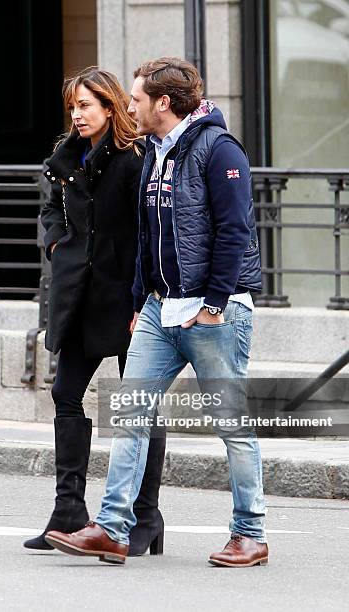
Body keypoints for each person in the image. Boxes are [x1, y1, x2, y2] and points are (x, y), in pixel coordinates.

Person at [45, 57, 268, 567]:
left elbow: (236, 232)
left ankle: (249, 533)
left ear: (162, 103)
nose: (131, 105)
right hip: (158, 310)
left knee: (231, 423)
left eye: (139, 98)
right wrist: (142, 296)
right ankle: (113, 528)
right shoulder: (157, 152)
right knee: (130, 414)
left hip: (216, 311)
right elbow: (148, 232)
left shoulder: (219, 150)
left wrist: (213, 305)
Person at [24, 67, 166, 556]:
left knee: (137, 408)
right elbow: (50, 211)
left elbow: (151, 232)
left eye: (85, 104)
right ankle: (68, 510)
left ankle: (146, 515)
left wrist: (143, 298)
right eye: (72, 106)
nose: (77, 114)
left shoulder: (133, 160)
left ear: (109, 106)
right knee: (66, 392)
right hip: (79, 297)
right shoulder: (64, 158)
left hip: (126, 300)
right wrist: (55, 241)